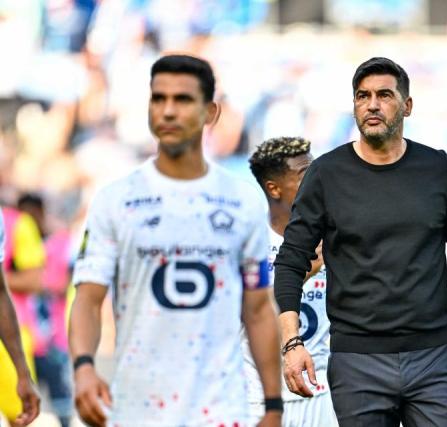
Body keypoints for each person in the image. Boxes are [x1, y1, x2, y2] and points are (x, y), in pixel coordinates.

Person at [273, 57, 447, 426]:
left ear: (407, 105)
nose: (372, 104)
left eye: (384, 95)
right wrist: (292, 343)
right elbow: (291, 261)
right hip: (358, 361)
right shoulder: (326, 174)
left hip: (433, 355)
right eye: (362, 96)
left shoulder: (439, 170)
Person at [69, 54, 282, 427]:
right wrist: (84, 367)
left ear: (210, 112)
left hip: (222, 410)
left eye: (182, 100)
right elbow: (88, 298)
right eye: (158, 98)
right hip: (138, 408)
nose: (168, 111)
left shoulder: (243, 203)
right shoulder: (115, 200)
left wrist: (273, 405)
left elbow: (259, 309)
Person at [246, 136, 336, 426]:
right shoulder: (251, 242)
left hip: (324, 393)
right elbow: (244, 313)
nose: (317, 182)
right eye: (304, 175)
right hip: (260, 397)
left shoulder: (336, 236)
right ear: (274, 188)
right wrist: (302, 272)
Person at [17, 193, 74, 427]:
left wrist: (32, 280)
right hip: (26, 338)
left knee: (59, 397)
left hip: (52, 339)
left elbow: (61, 285)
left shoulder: (58, 243)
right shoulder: (16, 246)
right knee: (26, 401)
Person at [0, 205, 45, 424]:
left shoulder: (18, 223)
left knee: (18, 417)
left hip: (8, 337)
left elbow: (34, 280)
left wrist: (23, 372)